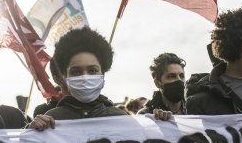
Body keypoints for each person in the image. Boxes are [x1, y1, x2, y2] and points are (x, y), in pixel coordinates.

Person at [29, 27, 173, 131]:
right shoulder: (52, 119)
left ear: (102, 75)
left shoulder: (121, 117)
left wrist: (163, 126)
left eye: (92, 70)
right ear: (65, 78)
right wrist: (31, 132)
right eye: (76, 72)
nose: (85, 77)